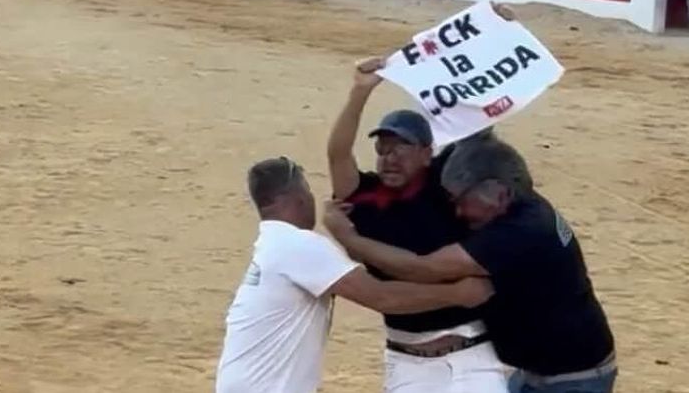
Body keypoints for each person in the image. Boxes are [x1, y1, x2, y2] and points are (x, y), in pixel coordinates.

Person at [323, 134, 618, 393]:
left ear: (498, 193)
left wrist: (348, 238)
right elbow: (472, 138)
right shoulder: (515, 203)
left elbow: (422, 267)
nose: (459, 212)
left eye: (461, 201)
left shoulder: (519, 233)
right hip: (538, 371)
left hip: (571, 381)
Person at [215, 157, 494, 393]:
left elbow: (351, 268)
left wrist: (349, 234)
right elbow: (381, 297)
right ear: (298, 198)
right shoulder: (297, 245)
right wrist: (457, 294)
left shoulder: (274, 243)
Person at [324, 57, 509, 392]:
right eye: (383, 148)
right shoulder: (363, 200)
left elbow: (478, 127)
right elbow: (338, 153)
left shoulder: (443, 186)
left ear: (427, 154)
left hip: (473, 353)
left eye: (401, 147)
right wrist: (359, 92)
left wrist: (497, 37)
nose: (389, 157)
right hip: (407, 360)